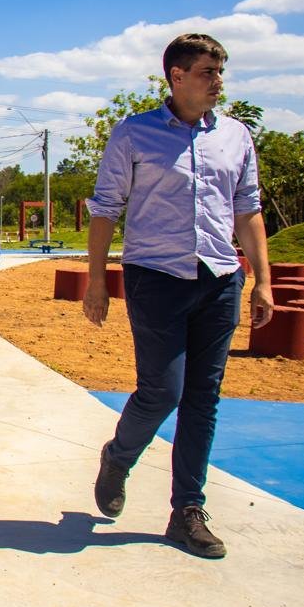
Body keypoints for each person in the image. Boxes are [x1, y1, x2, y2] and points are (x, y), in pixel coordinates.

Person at [84, 33, 273, 559]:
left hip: (219, 280)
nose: (218, 82)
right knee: (162, 391)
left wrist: (263, 278)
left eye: (219, 72)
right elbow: (105, 208)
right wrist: (98, 280)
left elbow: (248, 210)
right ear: (177, 76)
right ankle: (119, 456)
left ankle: (186, 510)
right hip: (156, 279)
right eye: (208, 72)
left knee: (202, 401)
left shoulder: (236, 136)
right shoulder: (134, 133)